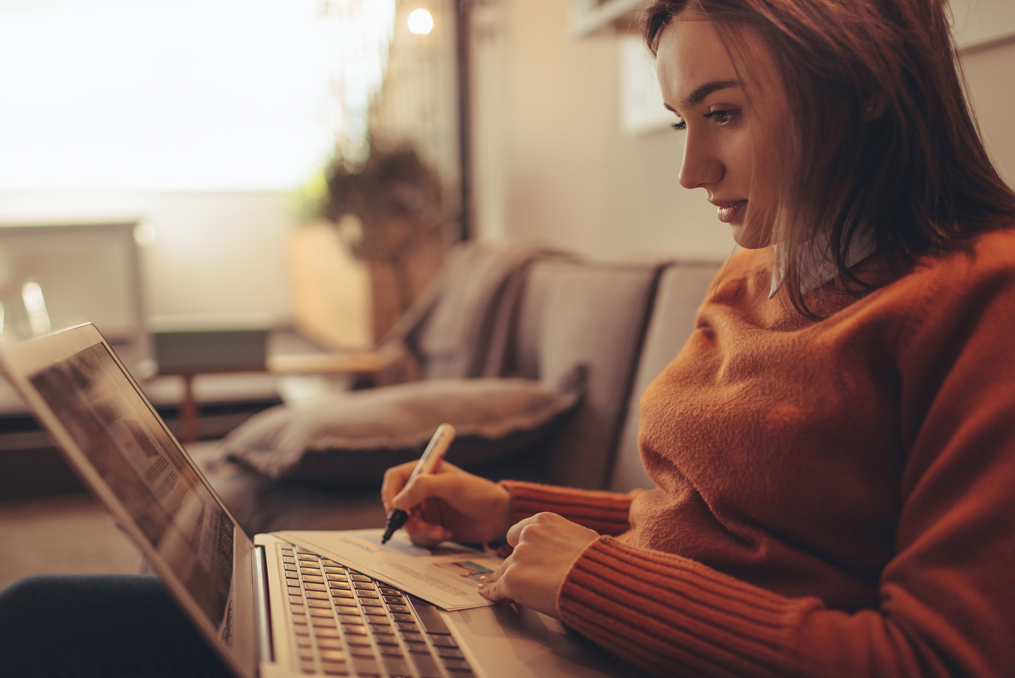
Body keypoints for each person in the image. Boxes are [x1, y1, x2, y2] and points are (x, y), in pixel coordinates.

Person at [380, 0, 1015, 676]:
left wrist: (594, 581)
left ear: (864, 86)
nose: (691, 171)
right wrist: (514, 510)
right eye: (682, 120)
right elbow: (717, 527)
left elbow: (940, 658)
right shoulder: (752, 270)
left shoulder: (981, 300)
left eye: (722, 114)